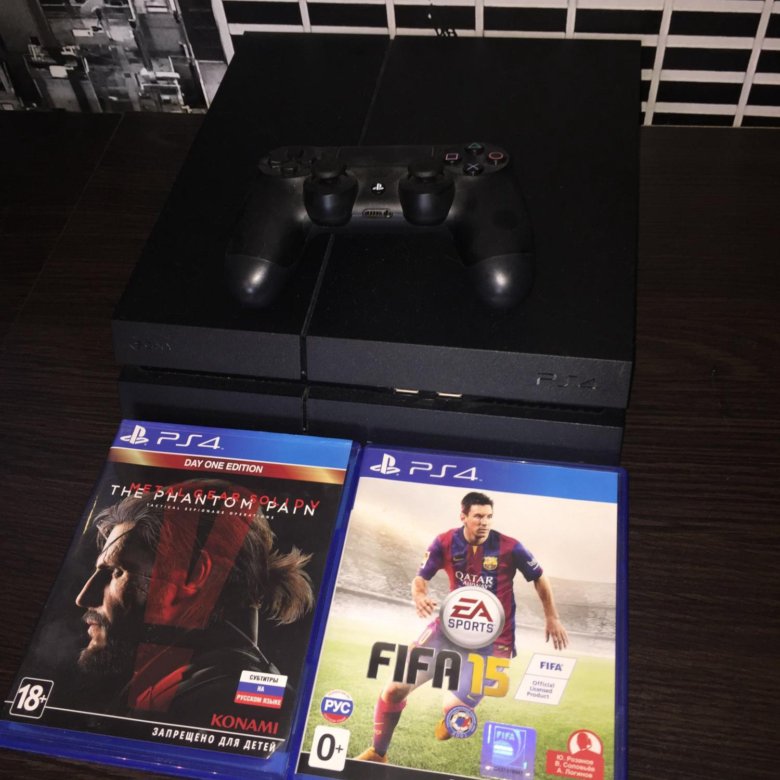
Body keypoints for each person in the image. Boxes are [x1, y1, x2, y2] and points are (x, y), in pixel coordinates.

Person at [357, 491, 568, 763]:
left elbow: (539, 577)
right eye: (478, 516)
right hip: (449, 630)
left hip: (494, 642)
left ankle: (452, 711)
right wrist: (420, 596)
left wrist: (552, 617)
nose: (485, 522)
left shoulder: (511, 547)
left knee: (455, 716)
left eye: (489, 516)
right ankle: (378, 753)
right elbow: (420, 578)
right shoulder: (445, 542)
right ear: (463, 516)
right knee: (394, 689)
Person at [74, 479, 313, 719]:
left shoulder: (225, 695)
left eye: (117, 572)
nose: (83, 597)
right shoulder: (189, 681)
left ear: (195, 573)